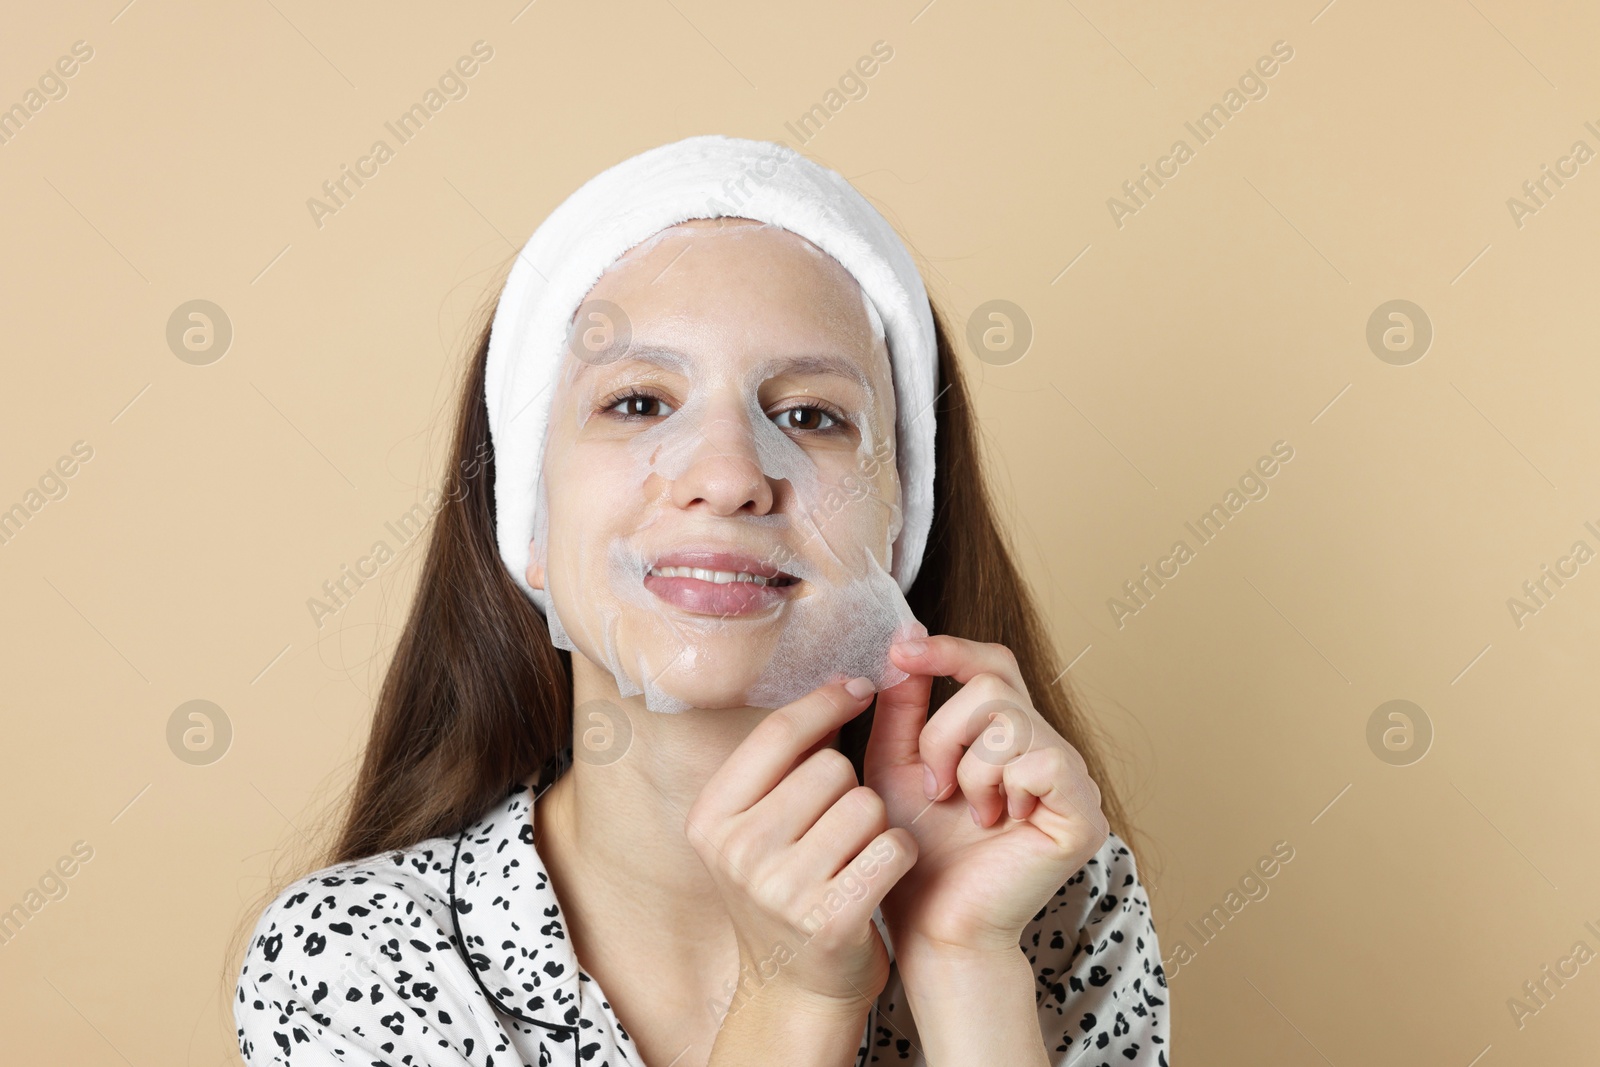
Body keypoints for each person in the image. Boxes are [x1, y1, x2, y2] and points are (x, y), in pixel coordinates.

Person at [234, 135, 1168, 1067]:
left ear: (899, 526)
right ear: (528, 517)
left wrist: (963, 959)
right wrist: (792, 998)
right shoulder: (357, 957)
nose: (727, 477)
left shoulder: (1049, 902)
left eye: (811, 416)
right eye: (638, 401)